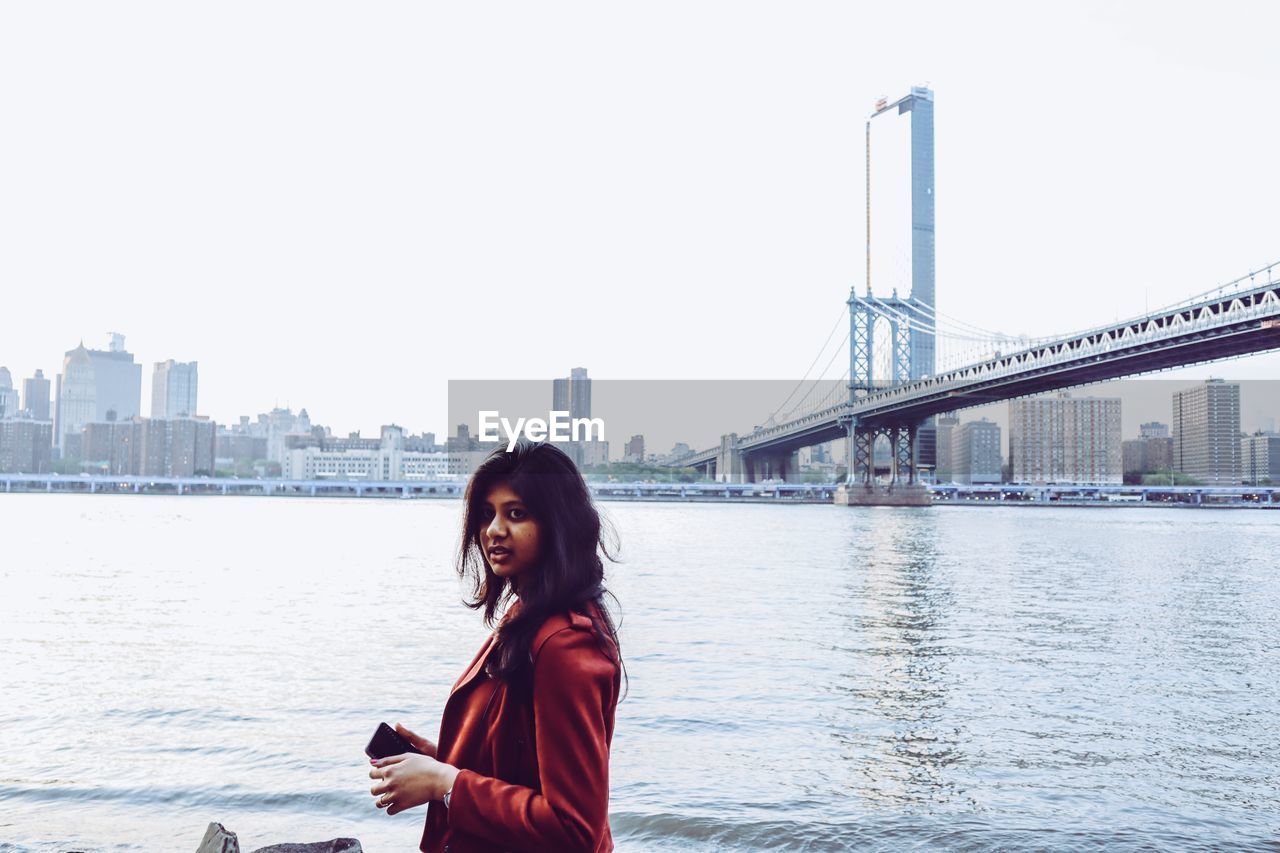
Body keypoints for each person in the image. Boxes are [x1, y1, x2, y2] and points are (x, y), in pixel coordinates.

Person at [368, 437, 625, 853]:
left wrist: (445, 783)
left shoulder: (564, 643)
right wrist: (444, 760)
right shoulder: (531, 616)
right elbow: (524, 763)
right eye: (487, 515)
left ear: (558, 524)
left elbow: (574, 827)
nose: (493, 531)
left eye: (516, 513)